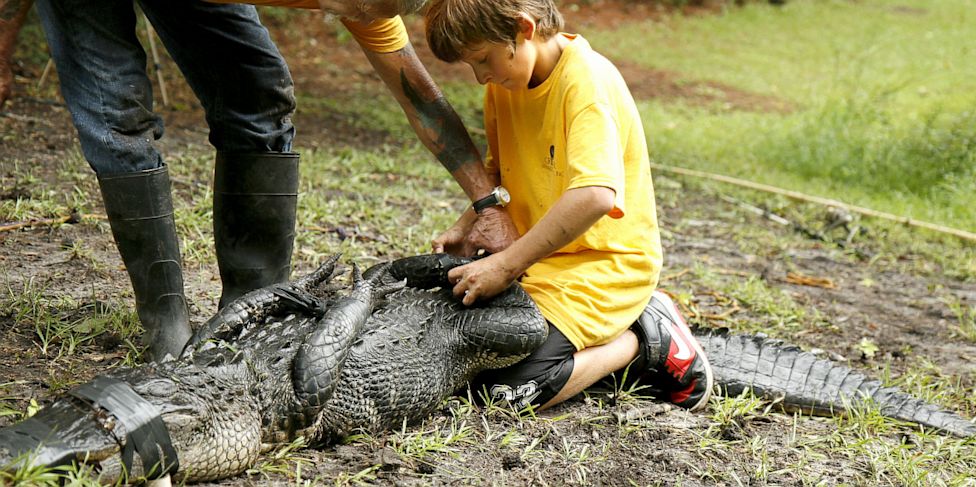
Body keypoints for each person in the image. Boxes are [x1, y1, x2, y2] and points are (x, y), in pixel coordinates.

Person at [0, 0, 517, 362]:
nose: (364, 17)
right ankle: (165, 325)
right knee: (117, 113)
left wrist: (488, 204)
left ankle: (252, 312)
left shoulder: (371, 6)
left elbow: (421, 99)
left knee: (258, 94)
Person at [425, 0, 714, 411]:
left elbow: (595, 195)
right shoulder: (504, 86)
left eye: (483, 60)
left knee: (504, 394)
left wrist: (503, 266)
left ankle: (648, 338)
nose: (480, 77)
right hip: (542, 263)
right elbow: (500, 171)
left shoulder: (586, 84)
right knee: (463, 360)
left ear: (523, 29)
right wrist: (467, 223)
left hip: (603, 267)